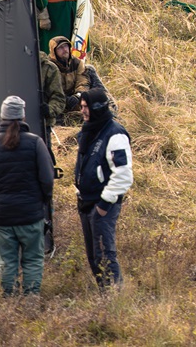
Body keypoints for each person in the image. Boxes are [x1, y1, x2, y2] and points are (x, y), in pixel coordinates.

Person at [0, 95, 53, 295]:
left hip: (2, 217)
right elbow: (47, 180)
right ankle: (30, 302)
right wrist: (41, 202)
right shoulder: (36, 143)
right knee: (33, 260)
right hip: (30, 214)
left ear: (2, 116)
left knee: (7, 262)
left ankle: (9, 302)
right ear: (23, 116)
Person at [74, 87, 133, 288]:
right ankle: (105, 296)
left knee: (105, 255)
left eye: (86, 107)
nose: (83, 111)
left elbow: (123, 175)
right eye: (82, 107)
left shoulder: (115, 134)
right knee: (94, 257)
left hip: (101, 204)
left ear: (97, 107)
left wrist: (103, 204)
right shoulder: (88, 131)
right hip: (86, 201)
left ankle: (114, 298)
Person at [49, 36, 89, 114]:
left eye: (66, 46)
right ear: (54, 52)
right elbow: (50, 89)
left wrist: (78, 95)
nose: (64, 50)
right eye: (60, 48)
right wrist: (64, 99)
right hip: (57, 100)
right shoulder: (49, 67)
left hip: (75, 97)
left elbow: (83, 81)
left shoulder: (77, 63)